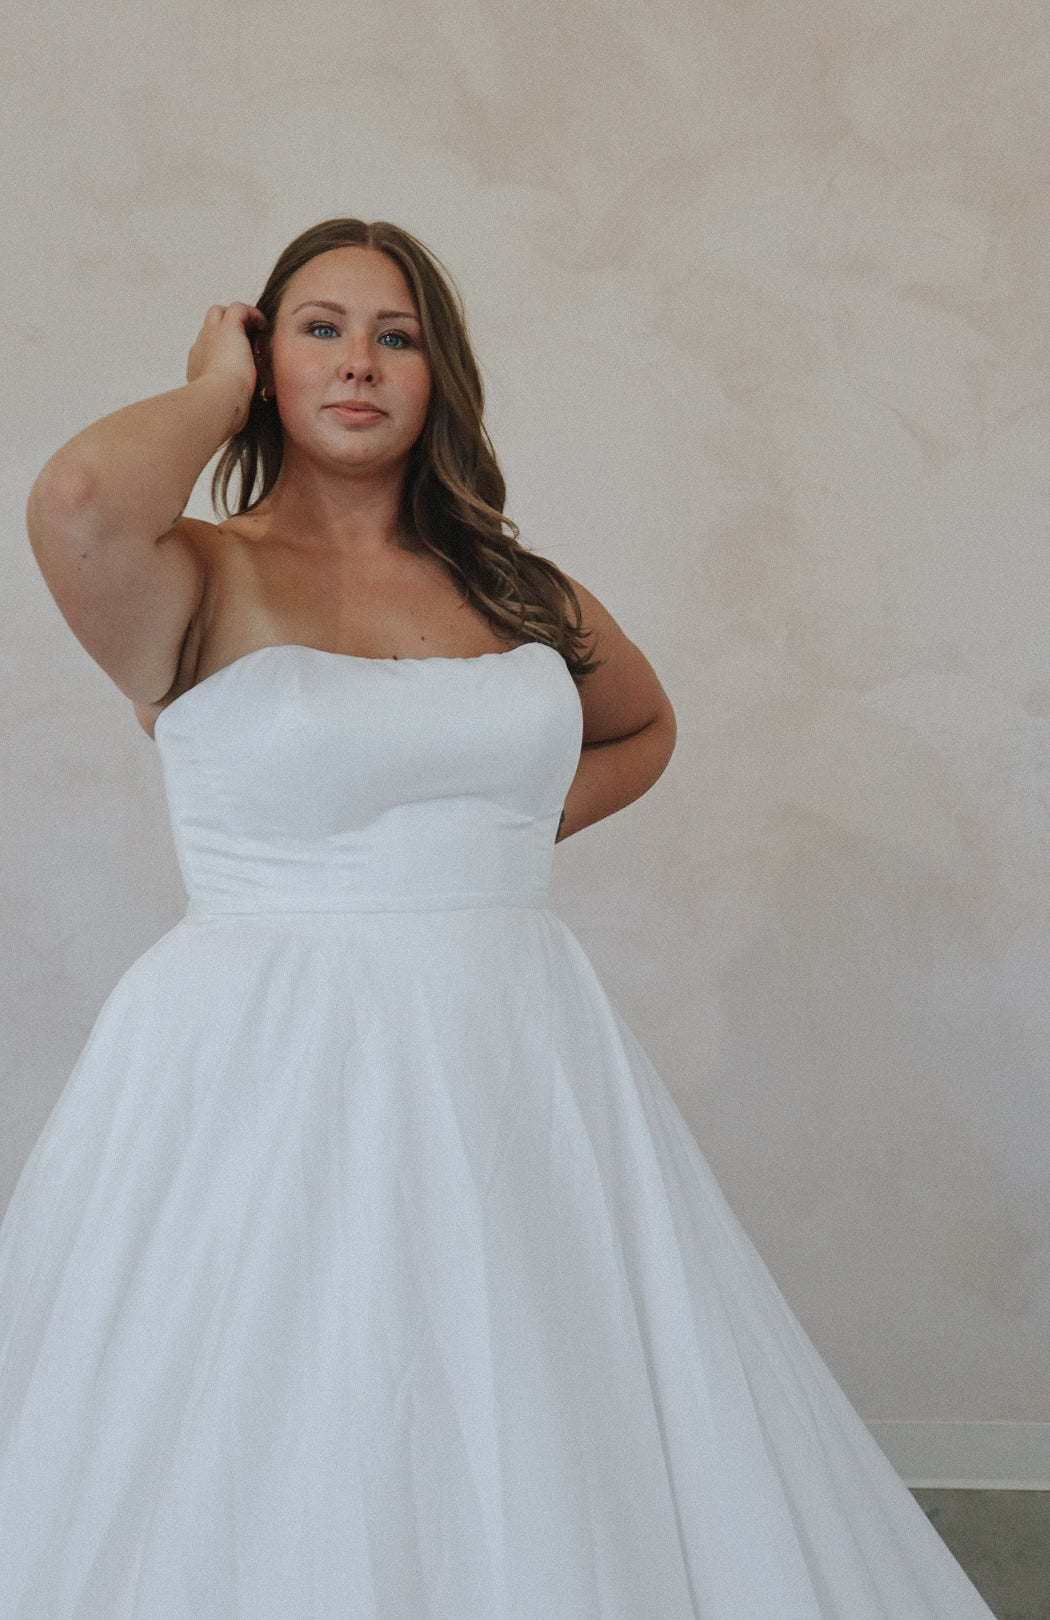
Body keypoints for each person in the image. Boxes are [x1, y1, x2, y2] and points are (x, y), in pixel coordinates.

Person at [1, 218, 994, 1619]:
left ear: (439, 377)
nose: (360, 361)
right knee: (287, 1391)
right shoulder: (197, 576)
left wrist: (496, 840)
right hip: (261, 1070)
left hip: (515, 1052)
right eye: (320, 329)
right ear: (268, 362)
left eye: (396, 335)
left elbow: (642, 724)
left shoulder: (514, 588)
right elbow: (75, 497)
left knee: (533, 1389)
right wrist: (212, 388)